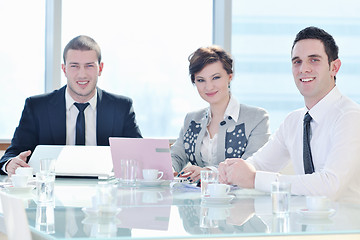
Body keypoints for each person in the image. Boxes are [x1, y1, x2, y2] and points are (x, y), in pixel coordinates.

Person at [218, 26, 360, 202]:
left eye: (314, 60)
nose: (303, 69)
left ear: (334, 67)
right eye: (297, 61)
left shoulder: (350, 117)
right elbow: (259, 164)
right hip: (305, 224)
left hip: (347, 226)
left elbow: (330, 186)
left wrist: (254, 179)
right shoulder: (294, 120)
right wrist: (225, 171)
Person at [0, 35, 142, 175]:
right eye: (74, 66)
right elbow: (12, 155)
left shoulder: (121, 108)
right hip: (52, 191)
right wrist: (10, 164)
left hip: (105, 193)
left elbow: (140, 155)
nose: (82, 74)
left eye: (89, 66)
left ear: (100, 68)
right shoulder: (37, 107)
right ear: (64, 69)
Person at [171, 46, 270, 182]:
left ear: (229, 77)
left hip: (241, 200)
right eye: (201, 80)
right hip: (199, 200)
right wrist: (167, 169)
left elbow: (253, 164)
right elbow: (177, 155)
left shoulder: (257, 117)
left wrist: (208, 173)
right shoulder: (192, 119)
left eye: (215, 78)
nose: (209, 87)